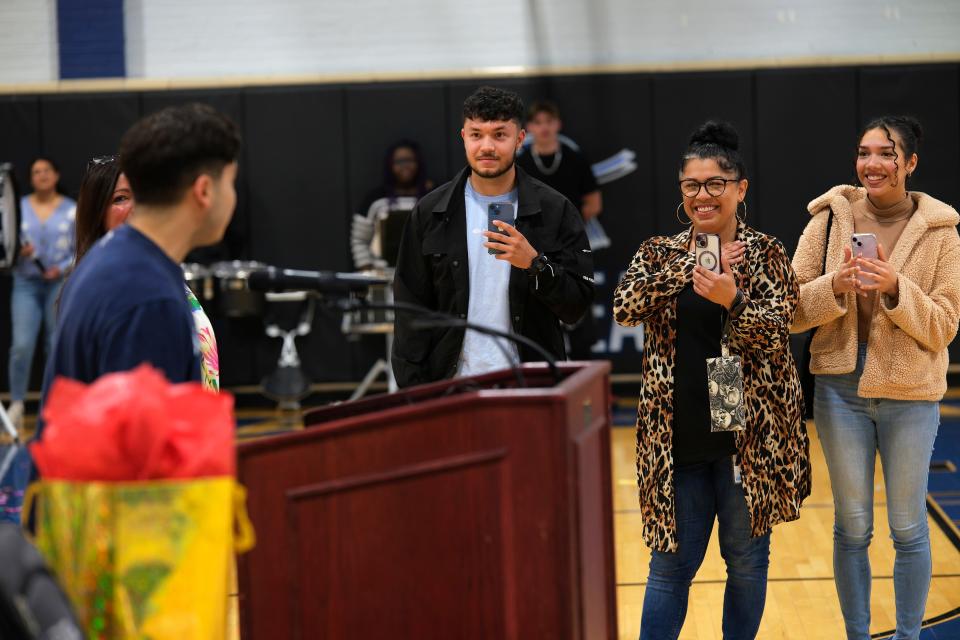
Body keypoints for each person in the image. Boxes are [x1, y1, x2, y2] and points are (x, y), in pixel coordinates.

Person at [613, 121, 811, 640]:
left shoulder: (766, 252)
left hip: (743, 433)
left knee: (746, 562)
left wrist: (732, 297)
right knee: (670, 568)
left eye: (715, 184)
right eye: (691, 186)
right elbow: (624, 308)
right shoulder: (659, 251)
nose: (703, 196)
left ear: (739, 189)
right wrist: (694, 264)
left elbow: (775, 334)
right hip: (677, 432)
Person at [792, 116, 960, 640]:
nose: (871, 164)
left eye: (886, 153)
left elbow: (944, 325)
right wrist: (835, 286)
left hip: (910, 393)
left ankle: (908, 636)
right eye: (864, 153)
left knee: (908, 528)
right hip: (840, 389)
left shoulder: (942, 231)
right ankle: (858, 636)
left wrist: (894, 289)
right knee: (852, 527)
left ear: (910, 163)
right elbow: (791, 311)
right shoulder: (826, 219)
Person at [39, 103, 239, 429]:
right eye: (231, 183)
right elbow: (142, 460)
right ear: (204, 191)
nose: (233, 198)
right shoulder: (143, 293)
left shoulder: (134, 265)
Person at [391, 86, 594, 387]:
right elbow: (410, 311)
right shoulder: (430, 212)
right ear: (463, 137)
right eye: (476, 134)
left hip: (528, 386)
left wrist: (535, 264)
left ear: (520, 139)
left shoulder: (555, 210)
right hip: (451, 388)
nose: (487, 146)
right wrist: (415, 391)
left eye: (499, 135)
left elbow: (576, 306)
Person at [72, 154, 219, 391]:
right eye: (120, 198)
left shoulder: (154, 270)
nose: (137, 208)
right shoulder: (118, 284)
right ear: (97, 213)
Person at [517, 100, 602, 359]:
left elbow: (594, 202)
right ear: (529, 127)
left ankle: (584, 383)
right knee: (535, 313)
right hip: (530, 247)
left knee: (577, 306)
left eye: (549, 122)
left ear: (558, 124)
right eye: (538, 122)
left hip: (569, 246)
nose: (544, 128)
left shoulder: (575, 158)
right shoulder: (519, 163)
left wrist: (566, 225)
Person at [5, 157, 76, 430]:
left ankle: (55, 403)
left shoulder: (72, 210)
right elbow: (6, 245)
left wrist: (60, 268)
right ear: (30, 178)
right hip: (26, 283)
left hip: (60, 282)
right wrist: (16, 253)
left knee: (56, 343)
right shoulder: (17, 208)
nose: (42, 175)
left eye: (47, 170)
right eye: (36, 171)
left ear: (56, 175)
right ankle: (18, 402)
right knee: (21, 346)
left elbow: (81, 247)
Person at [351, 140, 435, 270]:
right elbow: (359, 240)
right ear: (390, 166)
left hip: (425, 277)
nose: (405, 166)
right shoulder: (376, 200)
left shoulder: (433, 197)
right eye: (399, 162)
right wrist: (367, 271)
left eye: (410, 160)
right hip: (384, 277)